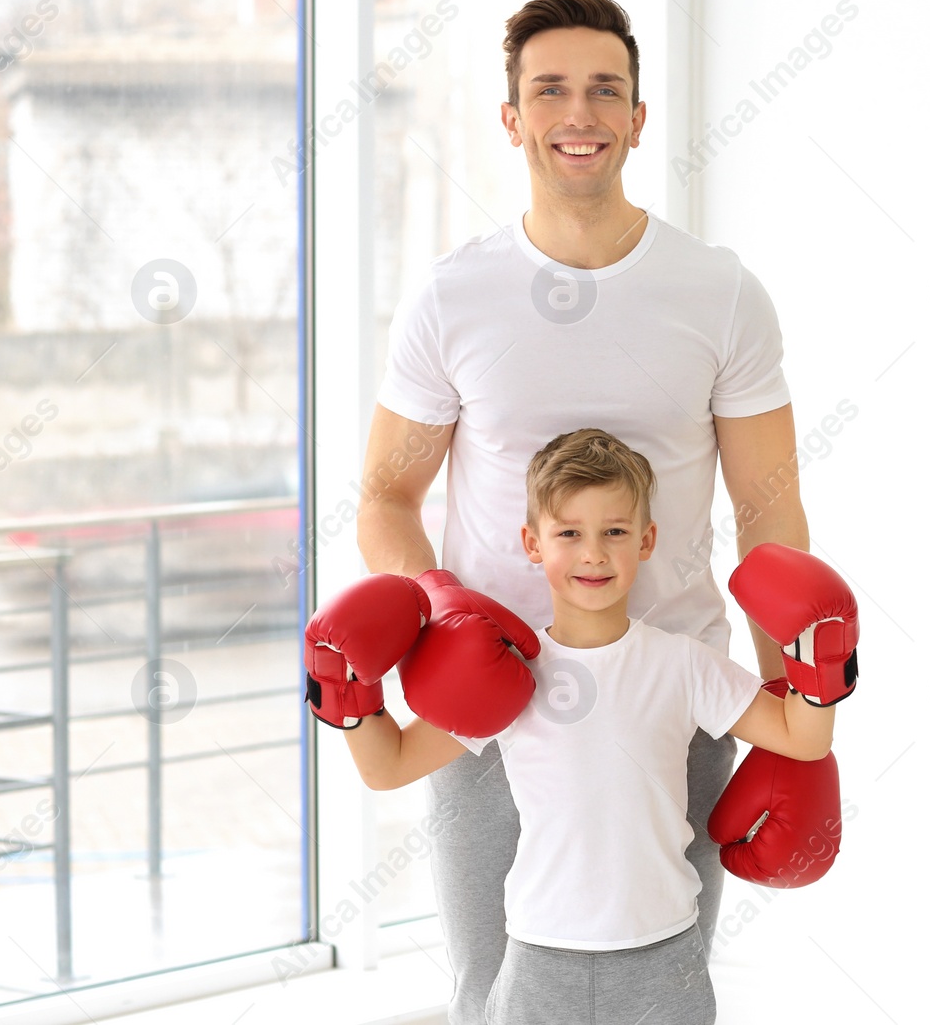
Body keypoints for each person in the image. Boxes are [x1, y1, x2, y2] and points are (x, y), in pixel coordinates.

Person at [354, 0, 811, 1025]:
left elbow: (770, 515)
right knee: (491, 995)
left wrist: (789, 727)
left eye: (606, 90)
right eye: (549, 89)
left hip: (673, 696)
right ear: (511, 118)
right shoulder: (451, 297)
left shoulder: (719, 291)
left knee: (658, 987)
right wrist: (440, 608)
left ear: (639, 117)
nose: (580, 112)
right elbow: (386, 495)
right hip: (488, 708)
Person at [320, 429, 837, 1025]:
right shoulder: (508, 676)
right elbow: (388, 767)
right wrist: (345, 693)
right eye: (570, 533)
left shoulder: (683, 663)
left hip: (664, 956)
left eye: (615, 532)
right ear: (532, 543)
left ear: (646, 540)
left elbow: (803, 736)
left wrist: (821, 664)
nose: (594, 553)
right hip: (541, 955)